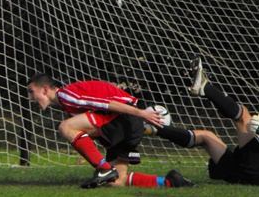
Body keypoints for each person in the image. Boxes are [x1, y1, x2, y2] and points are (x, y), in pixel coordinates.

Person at [26, 73, 193, 189]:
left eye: (32, 92)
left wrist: (141, 113)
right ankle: (170, 182)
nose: (30, 98)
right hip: (124, 126)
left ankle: (104, 169)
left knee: (65, 126)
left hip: (124, 119)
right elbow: (88, 129)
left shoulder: (67, 95)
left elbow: (107, 104)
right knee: (115, 183)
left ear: (46, 89)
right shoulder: (67, 104)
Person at [154, 57, 259, 185]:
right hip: (240, 171)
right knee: (206, 136)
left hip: (252, 172)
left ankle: (205, 88)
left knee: (244, 118)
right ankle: (153, 128)